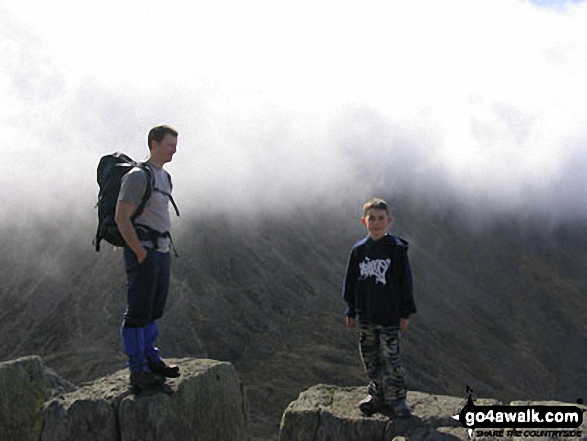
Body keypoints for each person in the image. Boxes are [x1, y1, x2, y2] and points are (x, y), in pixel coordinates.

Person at [115, 125, 181, 392]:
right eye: (169, 144)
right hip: (144, 251)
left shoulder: (164, 177)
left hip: (161, 250)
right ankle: (138, 369)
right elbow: (122, 217)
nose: (174, 149)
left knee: (153, 308)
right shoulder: (137, 177)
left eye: (175, 144)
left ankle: (151, 358)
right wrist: (140, 252)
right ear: (154, 143)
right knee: (138, 311)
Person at [342, 197, 417, 417]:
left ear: (389, 221)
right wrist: (351, 310)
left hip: (390, 316)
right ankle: (377, 394)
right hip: (366, 315)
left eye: (380, 218)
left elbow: (405, 282)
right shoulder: (359, 250)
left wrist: (405, 313)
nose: (376, 222)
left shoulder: (396, 249)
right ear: (364, 221)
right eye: (371, 218)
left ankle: (397, 400)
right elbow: (351, 282)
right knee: (370, 357)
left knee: (391, 359)